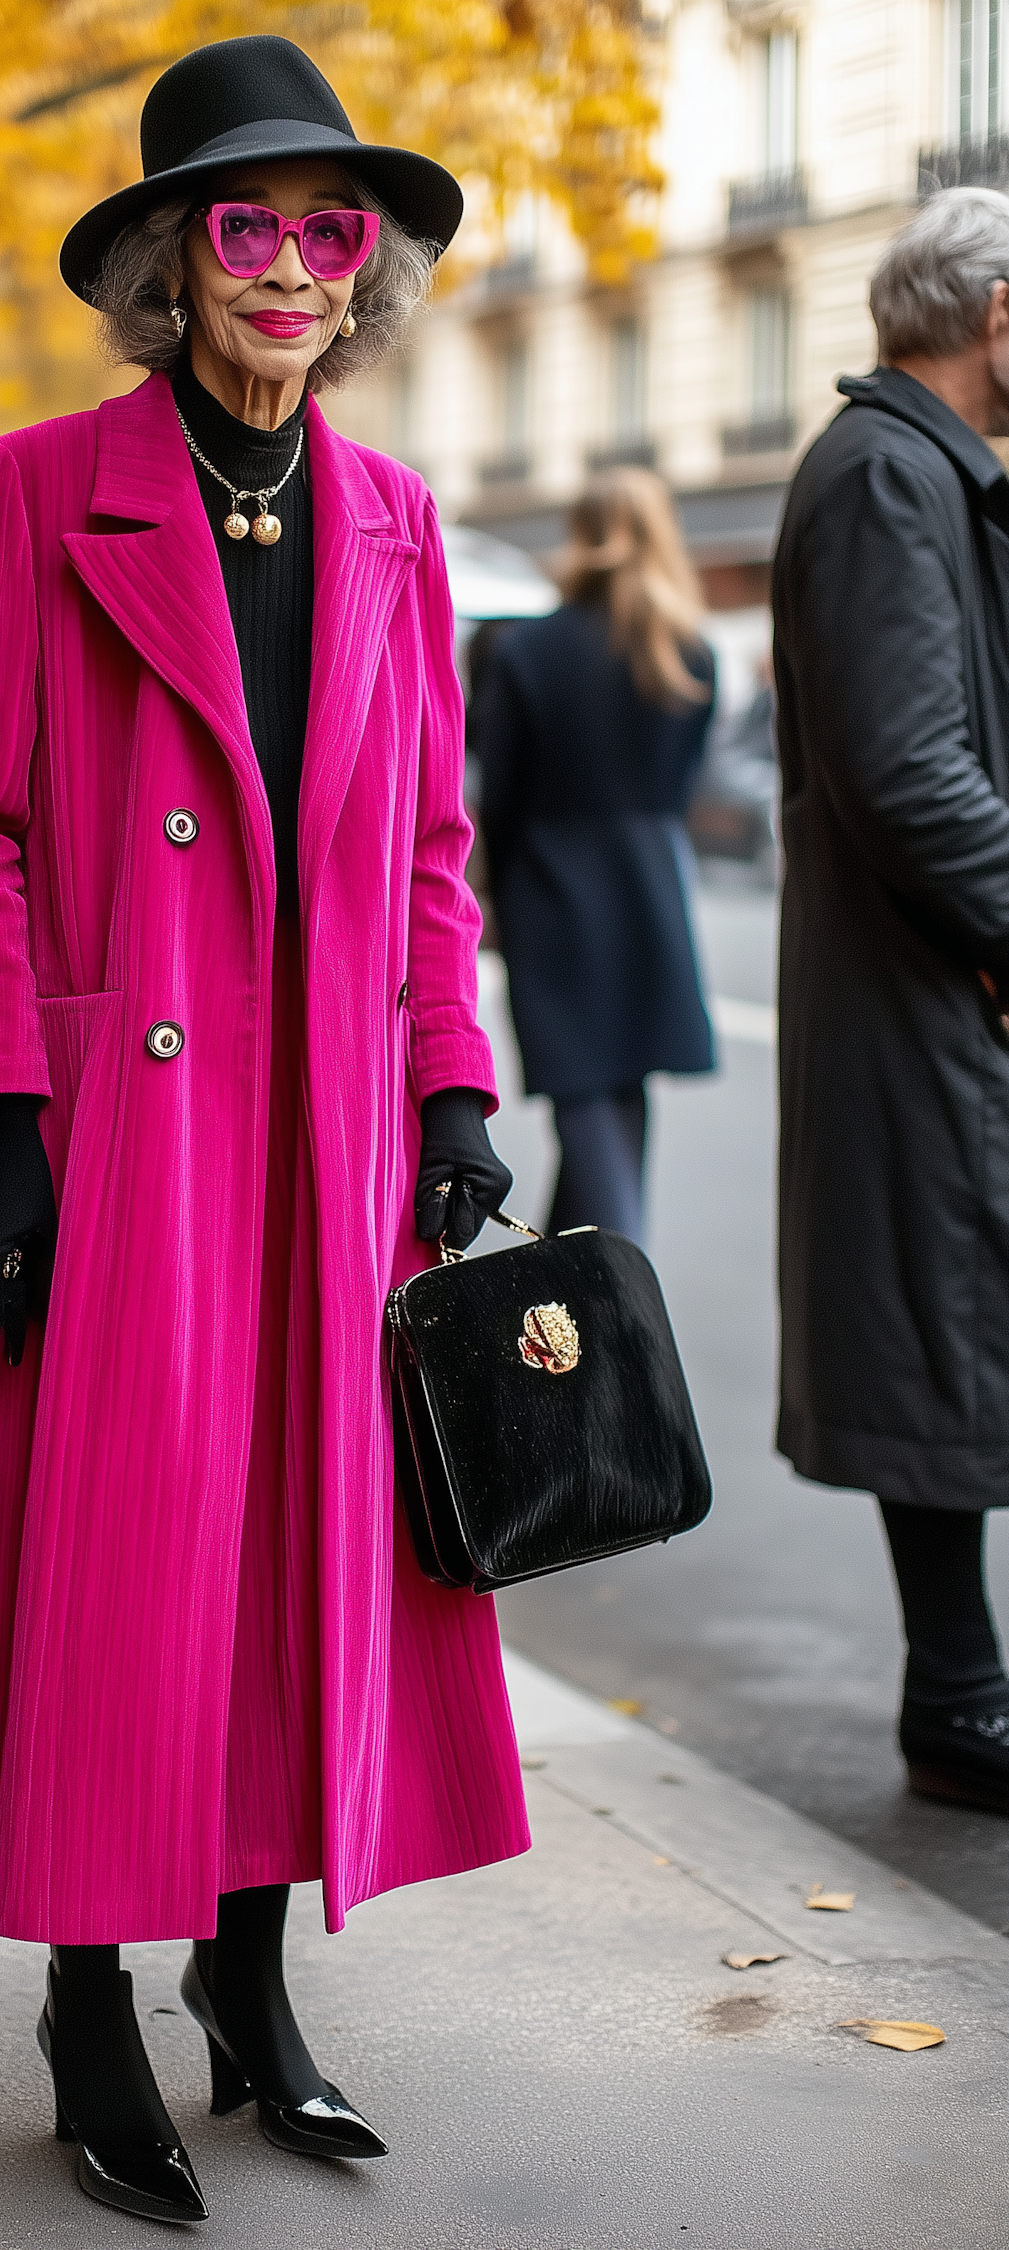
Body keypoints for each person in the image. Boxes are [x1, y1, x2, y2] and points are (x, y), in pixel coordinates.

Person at [0, 34, 528, 2229]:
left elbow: (430, 840)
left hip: (327, 1140)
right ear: (171, 259)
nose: (289, 266)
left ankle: (248, 1986)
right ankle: (87, 2000)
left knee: (295, 1562)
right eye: (243, 225)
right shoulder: (33, 492)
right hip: (124, 1144)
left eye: (329, 230)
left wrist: (450, 1087)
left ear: (365, 277)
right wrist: (0, 1109)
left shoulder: (397, 524)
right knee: (129, 1578)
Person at [772, 186, 1009, 1820]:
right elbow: (914, 778)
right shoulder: (883, 479)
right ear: (1001, 319)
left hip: (951, 1001)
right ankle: (963, 1701)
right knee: (943, 1332)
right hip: (935, 1004)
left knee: (957, 1330)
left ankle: (965, 1695)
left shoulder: (926, 474)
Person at [473, 470, 717, 1244]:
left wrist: (493, 900)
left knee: (585, 1112)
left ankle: (619, 1324)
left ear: (580, 533)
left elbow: (498, 795)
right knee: (619, 1107)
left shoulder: (527, 650)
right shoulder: (688, 654)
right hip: (650, 892)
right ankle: (574, 1319)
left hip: (552, 896)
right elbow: (680, 791)